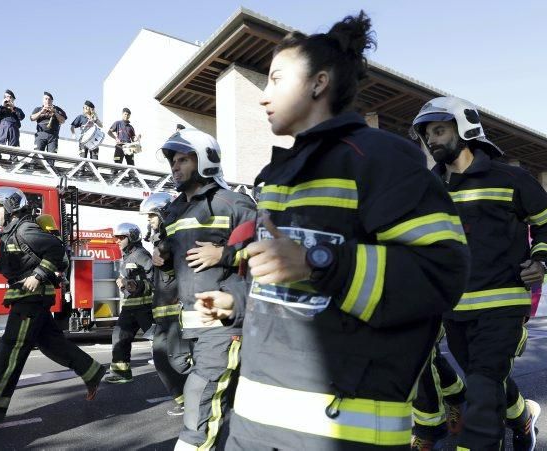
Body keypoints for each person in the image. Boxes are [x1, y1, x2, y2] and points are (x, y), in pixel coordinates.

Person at [195, 12, 471, 450]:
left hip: (345, 432)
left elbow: (442, 271)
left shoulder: (382, 158)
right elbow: (292, 291)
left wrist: (317, 262)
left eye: (276, 79)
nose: (263, 97)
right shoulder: (277, 175)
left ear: (318, 83)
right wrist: (237, 302)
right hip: (252, 429)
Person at [412, 95, 547, 450]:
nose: (432, 139)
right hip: (453, 309)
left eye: (439, 130)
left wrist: (542, 261)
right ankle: (523, 418)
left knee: (482, 392)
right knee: (489, 381)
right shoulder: (428, 190)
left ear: (466, 129)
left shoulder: (511, 178)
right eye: (427, 134)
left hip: (503, 306)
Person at [0, 188, 105, 422]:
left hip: (32, 298)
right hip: (27, 296)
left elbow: (57, 250)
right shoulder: (10, 233)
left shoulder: (26, 229)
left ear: (10, 206)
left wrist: (38, 275)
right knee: (51, 344)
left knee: (11, 349)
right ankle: (92, 371)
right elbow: (16, 269)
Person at [156, 128, 256, 450]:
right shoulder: (172, 212)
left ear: (206, 160)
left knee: (200, 394)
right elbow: (178, 259)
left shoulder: (234, 204)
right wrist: (164, 257)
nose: (175, 166)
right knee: (228, 405)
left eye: (183, 159)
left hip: (226, 322)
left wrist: (223, 254)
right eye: (173, 160)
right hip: (190, 324)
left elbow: (264, 252)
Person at [140, 192, 191, 416]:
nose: (149, 220)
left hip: (177, 312)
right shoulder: (159, 241)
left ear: (163, 214)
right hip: (161, 313)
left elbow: (178, 254)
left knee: (181, 362)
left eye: (152, 215)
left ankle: (199, 400)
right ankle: (183, 400)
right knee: (161, 360)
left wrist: (164, 253)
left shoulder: (173, 238)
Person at [105, 223, 155, 384]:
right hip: (130, 306)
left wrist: (135, 285)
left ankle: (178, 368)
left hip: (145, 306)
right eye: (116, 238)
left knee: (158, 339)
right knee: (119, 336)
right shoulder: (127, 256)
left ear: (131, 237)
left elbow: (156, 279)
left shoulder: (141, 254)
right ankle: (121, 373)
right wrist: (123, 281)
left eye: (121, 237)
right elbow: (130, 280)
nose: (117, 241)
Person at [30, 92, 67, 166]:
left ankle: (50, 170)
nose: (47, 101)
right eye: (45, 99)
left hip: (53, 135)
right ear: (43, 100)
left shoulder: (57, 109)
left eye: (49, 99)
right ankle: (34, 167)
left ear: (52, 101)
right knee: (37, 153)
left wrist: (55, 112)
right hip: (41, 134)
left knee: (51, 156)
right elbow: (32, 118)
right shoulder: (38, 109)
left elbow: (63, 121)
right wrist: (41, 112)